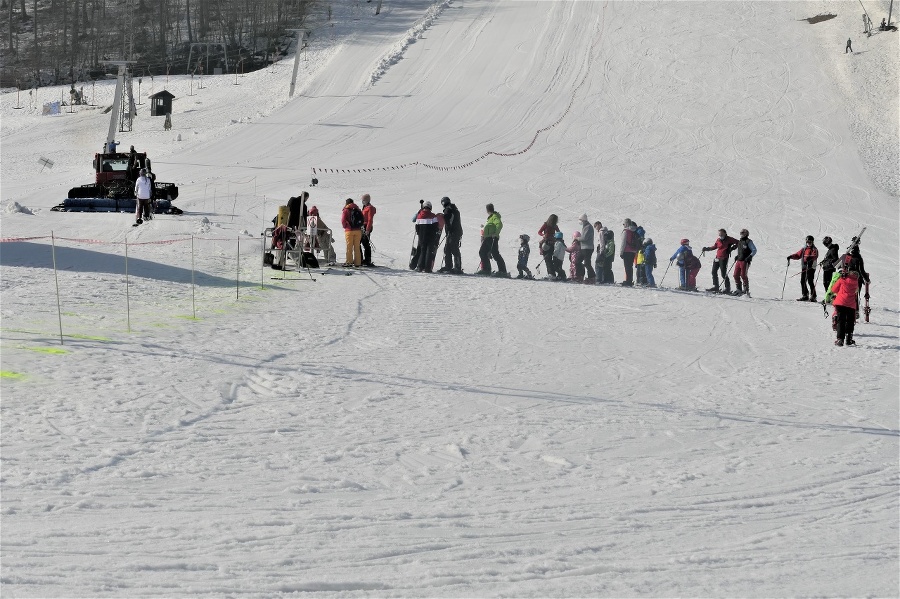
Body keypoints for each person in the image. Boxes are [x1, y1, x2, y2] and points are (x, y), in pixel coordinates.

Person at [828, 267, 860, 346]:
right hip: (851, 304)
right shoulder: (856, 282)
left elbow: (834, 289)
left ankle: (840, 339)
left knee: (841, 321)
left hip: (840, 303)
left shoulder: (842, 279)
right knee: (850, 321)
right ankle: (849, 339)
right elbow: (856, 292)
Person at [701, 229, 738, 293]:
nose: (720, 235)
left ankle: (727, 288)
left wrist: (732, 248)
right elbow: (715, 246)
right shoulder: (718, 240)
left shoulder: (729, 239)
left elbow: (738, 242)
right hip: (717, 257)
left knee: (723, 273)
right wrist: (707, 249)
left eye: (721, 234)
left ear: (725, 233)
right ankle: (716, 286)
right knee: (713, 272)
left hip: (724, 258)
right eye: (719, 234)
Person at [476, 204, 507, 276]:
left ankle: (502, 271)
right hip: (488, 238)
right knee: (483, 252)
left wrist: (495, 234)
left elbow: (499, 224)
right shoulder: (491, 217)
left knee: (494, 253)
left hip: (492, 238)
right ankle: (487, 269)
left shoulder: (494, 216)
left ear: (487, 210)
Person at [787, 235, 819, 301]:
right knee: (802, 281)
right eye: (807, 241)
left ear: (812, 242)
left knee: (810, 281)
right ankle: (805, 295)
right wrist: (791, 256)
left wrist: (809, 258)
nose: (809, 243)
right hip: (804, 267)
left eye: (810, 241)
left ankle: (813, 296)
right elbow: (798, 255)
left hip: (811, 267)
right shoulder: (804, 249)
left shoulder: (814, 249)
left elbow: (815, 256)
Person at [413, 200, 440, 272]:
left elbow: (417, 227)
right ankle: (428, 268)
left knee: (422, 251)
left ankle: (420, 267)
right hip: (431, 237)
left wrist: (419, 234)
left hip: (422, 237)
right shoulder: (433, 216)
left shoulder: (419, 216)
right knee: (429, 252)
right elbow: (436, 226)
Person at [439, 196, 463, 273]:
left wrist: (449, 229)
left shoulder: (448, 209)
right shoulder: (454, 209)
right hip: (456, 232)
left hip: (453, 232)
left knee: (453, 248)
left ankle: (456, 267)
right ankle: (449, 266)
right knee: (448, 248)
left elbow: (448, 219)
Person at [731, 228, 757, 296]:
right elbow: (741, 251)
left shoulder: (749, 241)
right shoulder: (740, 241)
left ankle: (746, 290)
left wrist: (749, 257)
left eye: (743, 233)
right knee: (735, 275)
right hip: (739, 260)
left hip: (745, 261)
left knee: (743, 275)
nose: (741, 234)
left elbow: (754, 250)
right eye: (741, 232)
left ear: (746, 234)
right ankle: (738, 289)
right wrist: (737, 256)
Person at [341, 197, 364, 267]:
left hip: (349, 230)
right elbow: (362, 219)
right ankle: (358, 262)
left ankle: (349, 262)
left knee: (349, 247)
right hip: (358, 230)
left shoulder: (346, 210)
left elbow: (343, 220)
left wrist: (345, 226)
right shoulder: (358, 209)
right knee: (357, 247)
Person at [619, 218, 641, 286]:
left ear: (626, 224)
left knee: (627, 267)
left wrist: (621, 252)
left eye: (624, 223)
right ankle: (629, 280)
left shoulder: (626, 231)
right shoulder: (633, 230)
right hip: (633, 251)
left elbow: (623, 243)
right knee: (630, 266)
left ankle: (628, 281)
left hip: (626, 251)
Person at [577, 214, 595, 283]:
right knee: (578, 261)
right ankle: (580, 275)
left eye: (580, 220)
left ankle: (592, 277)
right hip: (583, 247)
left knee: (587, 263)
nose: (580, 222)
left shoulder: (588, 227)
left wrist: (577, 238)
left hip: (588, 248)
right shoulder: (585, 226)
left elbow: (584, 238)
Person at [360, 193, 376, 266]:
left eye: (364, 200)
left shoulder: (370, 208)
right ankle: (360, 259)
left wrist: (368, 229)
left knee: (365, 243)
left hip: (366, 226)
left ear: (368, 200)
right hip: (362, 226)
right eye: (362, 200)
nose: (363, 201)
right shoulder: (364, 207)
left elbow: (370, 219)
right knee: (360, 242)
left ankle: (367, 260)